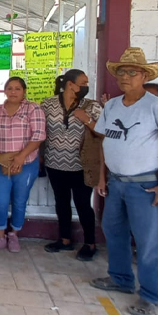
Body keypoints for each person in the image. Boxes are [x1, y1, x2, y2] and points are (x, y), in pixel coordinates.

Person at [89, 48, 158, 315]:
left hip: (145, 186)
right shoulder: (112, 105)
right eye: (121, 71)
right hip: (116, 182)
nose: (125, 76)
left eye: (132, 72)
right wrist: (102, 176)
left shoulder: (155, 105)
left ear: (144, 76)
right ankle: (121, 278)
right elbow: (105, 141)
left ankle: (151, 295)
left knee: (148, 242)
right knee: (114, 232)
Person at [41, 70, 100, 261]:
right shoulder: (48, 104)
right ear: (70, 84)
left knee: (83, 204)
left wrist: (87, 120)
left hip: (82, 165)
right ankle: (65, 239)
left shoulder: (91, 106)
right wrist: (40, 157)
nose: (86, 86)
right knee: (62, 202)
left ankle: (90, 243)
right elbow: (40, 131)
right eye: (83, 82)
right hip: (54, 162)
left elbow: (104, 133)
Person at [0, 77, 46, 253]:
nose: (13, 92)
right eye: (10, 88)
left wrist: (21, 157)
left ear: (24, 91)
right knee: (0, 200)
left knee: (19, 201)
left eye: (17, 88)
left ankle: (13, 235)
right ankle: (0, 236)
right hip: (2, 163)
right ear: (5, 90)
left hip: (26, 163)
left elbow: (38, 136)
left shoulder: (33, 109)